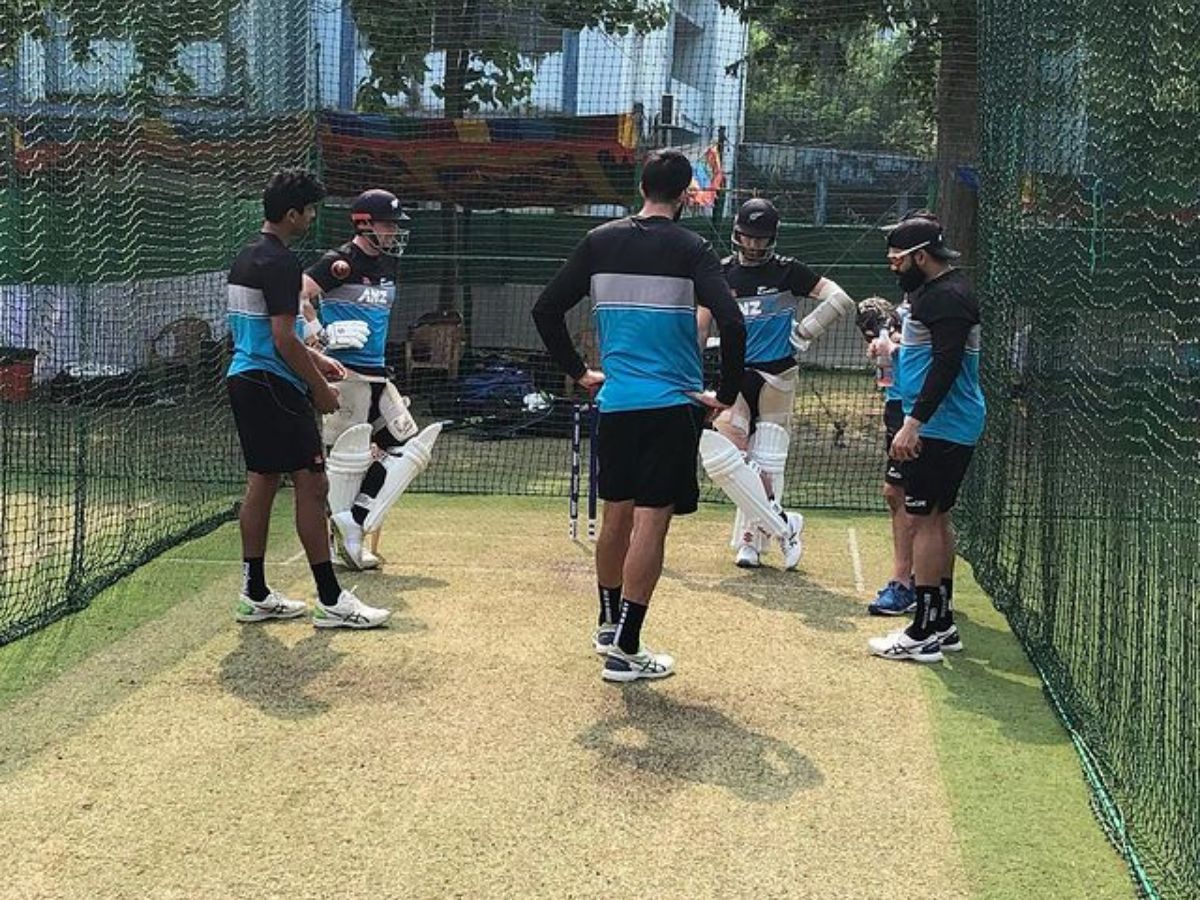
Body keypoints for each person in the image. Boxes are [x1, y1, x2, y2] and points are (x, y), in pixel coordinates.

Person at [532, 149, 746, 683]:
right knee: (653, 521)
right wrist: (725, 391)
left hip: (617, 404)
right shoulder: (693, 247)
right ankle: (626, 648)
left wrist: (580, 372)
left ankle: (609, 623)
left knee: (616, 516)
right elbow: (733, 322)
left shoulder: (600, 240)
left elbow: (546, 308)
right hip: (671, 406)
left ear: (642, 187)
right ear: (684, 195)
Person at [226, 169, 391, 629]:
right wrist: (319, 388)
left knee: (261, 481)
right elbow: (281, 338)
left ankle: (254, 592)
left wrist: (319, 363)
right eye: (310, 211)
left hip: (246, 379)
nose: (312, 218)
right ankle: (332, 599)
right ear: (292, 214)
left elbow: (262, 334)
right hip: (274, 386)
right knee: (313, 485)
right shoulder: (280, 262)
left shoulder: (246, 257)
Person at [696, 198, 856, 569]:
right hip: (734, 374)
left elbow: (840, 298)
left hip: (778, 374)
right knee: (725, 458)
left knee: (768, 461)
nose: (753, 246)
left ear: (772, 238)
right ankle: (785, 524)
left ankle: (751, 542)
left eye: (761, 239)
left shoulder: (787, 271)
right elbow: (701, 326)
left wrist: (804, 333)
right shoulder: (718, 273)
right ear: (736, 234)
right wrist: (690, 365)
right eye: (747, 237)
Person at [299, 189, 442, 571]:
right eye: (388, 225)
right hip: (345, 375)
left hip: (378, 372)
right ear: (365, 224)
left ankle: (355, 522)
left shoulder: (388, 264)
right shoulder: (341, 262)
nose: (394, 232)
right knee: (345, 462)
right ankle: (338, 539)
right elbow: (299, 293)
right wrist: (318, 334)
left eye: (396, 225)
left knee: (407, 449)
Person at [868, 214, 985, 663]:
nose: (893, 267)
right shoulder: (937, 293)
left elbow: (947, 363)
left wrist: (914, 422)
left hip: (941, 425)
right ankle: (940, 624)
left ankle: (922, 633)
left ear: (921, 256)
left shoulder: (948, 296)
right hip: (942, 423)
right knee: (935, 518)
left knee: (924, 520)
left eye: (898, 260)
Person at [855, 292, 917, 616]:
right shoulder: (904, 311)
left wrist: (895, 347)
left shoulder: (928, 310)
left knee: (906, 495)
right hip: (897, 404)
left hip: (915, 408)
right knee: (897, 493)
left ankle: (906, 582)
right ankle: (913, 580)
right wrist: (883, 349)